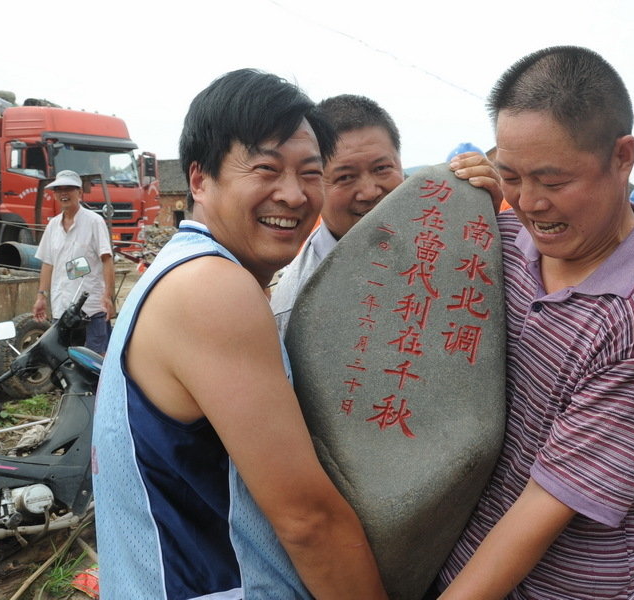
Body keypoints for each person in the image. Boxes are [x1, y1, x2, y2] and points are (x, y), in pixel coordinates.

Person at [92, 70, 387, 600]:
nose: (294, 196)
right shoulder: (213, 289)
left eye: (310, 173)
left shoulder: (185, 269)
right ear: (200, 180)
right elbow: (307, 520)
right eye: (267, 169)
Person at [436, 46, 634, 599]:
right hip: (455, 559)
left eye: (553, 181)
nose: (531, 202)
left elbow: (548, 501)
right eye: (511, 176)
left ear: (622, 157)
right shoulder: (509, 243)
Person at [270, 94, 500, 336]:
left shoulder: (443, 230)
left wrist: (488, 219)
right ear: (314, 180)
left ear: (401, 165)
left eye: (382, 169)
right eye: (345, 177)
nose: (370, 192)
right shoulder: (296, 309)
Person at [32, 170, 115, 354]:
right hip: (62, 308)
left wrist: (108, 296)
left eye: (69, 188)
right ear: (54, 195)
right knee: (64, 359)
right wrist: (41, 296)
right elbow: (48, 263)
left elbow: (107, 259)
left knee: (95, 359)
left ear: (79, 192)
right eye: (59, 190)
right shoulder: (53, 226)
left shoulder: (94, 222)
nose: (63, 193)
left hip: (90, 308)